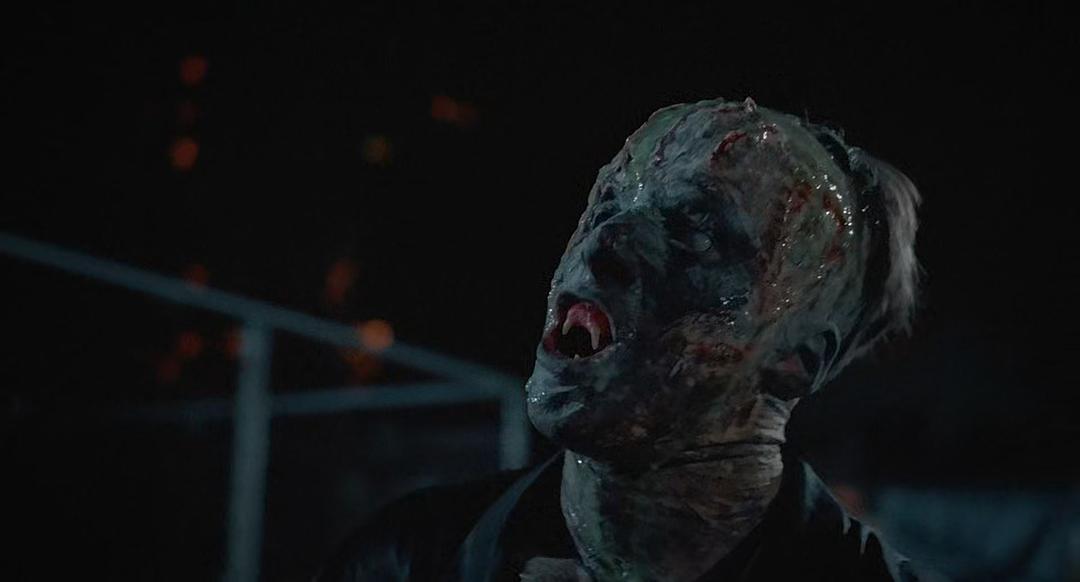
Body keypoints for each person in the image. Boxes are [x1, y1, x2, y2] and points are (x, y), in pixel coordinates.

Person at [319, 97, 925, 581]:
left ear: (796, 359)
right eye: (608, 200)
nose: (603, 242)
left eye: (698, 231)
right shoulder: (402, 559)